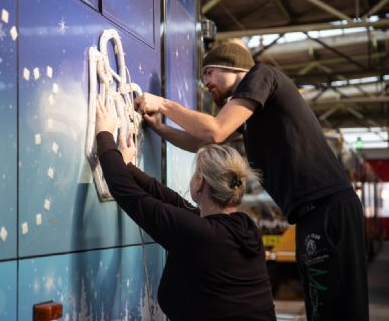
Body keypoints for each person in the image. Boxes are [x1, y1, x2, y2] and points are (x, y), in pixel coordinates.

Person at [135, 42, 368, 321]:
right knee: (320, 307)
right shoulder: (252, 117)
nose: (205, 81)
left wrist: (162, 104)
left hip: (329, 210)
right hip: (310, 215)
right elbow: (201, 140)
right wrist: (160, 128)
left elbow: (216, 131)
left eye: (210, 72)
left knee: (339, 310)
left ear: (235, 68)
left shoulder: (262, 75)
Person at [95, 98, 276, 320]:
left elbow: (127, 193)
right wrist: (129, 167)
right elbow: (176, 204)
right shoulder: (244, 227)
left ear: (200, 183)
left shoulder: (200, 233)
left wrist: (104, 134)